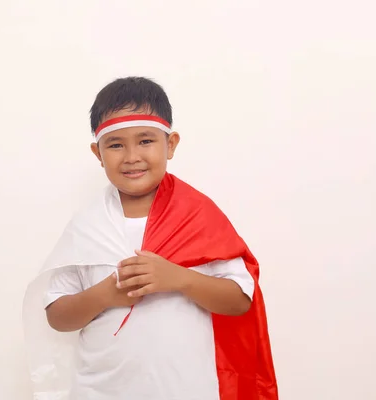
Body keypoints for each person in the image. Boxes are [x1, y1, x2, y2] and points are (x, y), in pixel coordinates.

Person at [22, 77, 278, 400]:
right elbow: (57, 315)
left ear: (170, 144)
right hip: (99, 391)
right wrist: (104, 295)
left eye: (145, 141)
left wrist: (178, 279)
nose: (131, 156)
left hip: (186, 390)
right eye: (115, 144)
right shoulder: (88, 226)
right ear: (97, 153)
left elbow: (241, 299)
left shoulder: (197, 216)